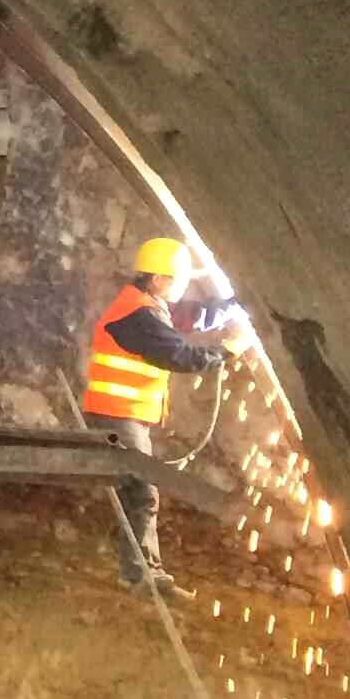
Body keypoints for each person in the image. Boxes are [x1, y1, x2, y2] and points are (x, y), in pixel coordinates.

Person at [80, 237, 248, 592]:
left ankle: (136, 571)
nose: (182, 287)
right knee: (142, 492)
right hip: (117, 415)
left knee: (136, 492)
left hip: (123, 414)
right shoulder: (138, 315)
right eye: (178, 280)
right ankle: (143, 576)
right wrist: (228, 350)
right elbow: (180, 356)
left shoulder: (149, 304)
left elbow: (191, 316)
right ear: (158, 279)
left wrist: (237, 306)